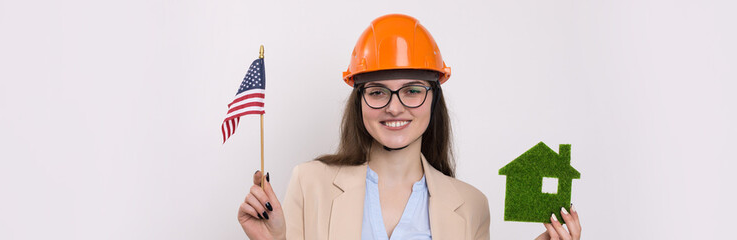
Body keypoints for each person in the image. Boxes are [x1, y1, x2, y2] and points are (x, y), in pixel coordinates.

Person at [237, 14, 582, 240]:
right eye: (377, 92)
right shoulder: (310, 182)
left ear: (434, 98)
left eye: (413, 90)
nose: (394, 106)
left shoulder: (471, 207)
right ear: (359, 101)